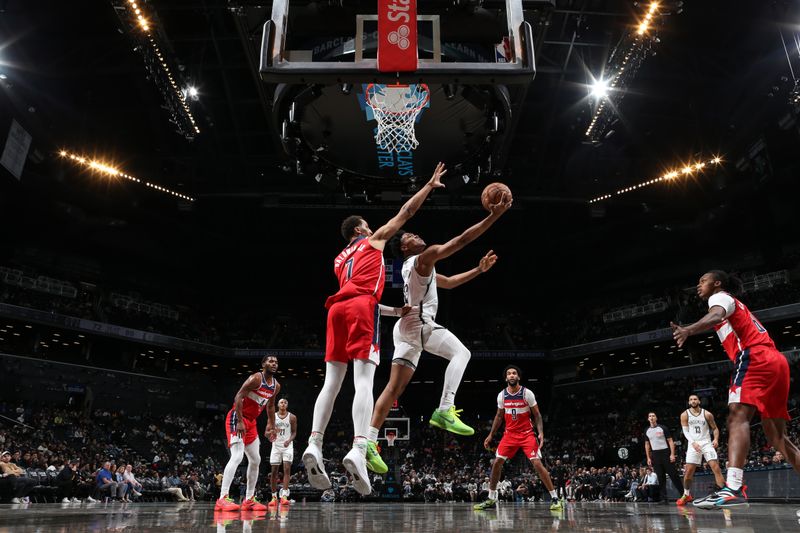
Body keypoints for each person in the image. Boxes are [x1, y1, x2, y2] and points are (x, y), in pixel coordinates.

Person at [302, 163, 447, 496]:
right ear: (359, 229)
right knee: (363, 381)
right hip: (361, 309)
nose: (371, 228)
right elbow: (406, 212)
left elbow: (356, 291)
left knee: (332, 382)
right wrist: (427, 185)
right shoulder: (373, 241)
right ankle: (359, 446)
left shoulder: (339, 259)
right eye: (366, 225)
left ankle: (314, 443)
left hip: (336, 309)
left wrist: (395, 311)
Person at [366, 196, 512, 473]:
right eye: (410, 235)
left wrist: (478, 270)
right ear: (405, 247)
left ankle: (369, 442)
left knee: (393, 388)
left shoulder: (417, 268)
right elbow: (460, 241)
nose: (416, 234)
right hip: (419, 324)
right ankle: (445, 408)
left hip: (405, 329)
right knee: (462, 353)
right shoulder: (422, 258)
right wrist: (494, 216)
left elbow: (450, 283)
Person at [672, 270, 799, 509]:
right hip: (776, 362)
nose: (698, 285)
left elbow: (716, 314)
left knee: (737, 417)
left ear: (717, 283)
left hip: (755, 356)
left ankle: (733, 487)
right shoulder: (735, 305)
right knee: (779, 439)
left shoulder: (719, 298)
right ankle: (733, 487)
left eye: (702, 281)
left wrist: (689, 329)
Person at [474, 366, 562, 511]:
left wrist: (540, 432)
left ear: (518, 377)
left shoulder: (527, 393)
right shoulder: (502, 395)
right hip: (509, 435)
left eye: (514, 373)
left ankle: (554, 498)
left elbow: (538, 415)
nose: (512, 375)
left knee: (537, 464)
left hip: (527, 434)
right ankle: (491, 498)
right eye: (509, 373)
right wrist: (491, 435)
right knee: (497, 463)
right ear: (506, 378)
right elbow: (499, 416)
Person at [215, 355, 281, 512]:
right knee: (237, 456)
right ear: (263, 364)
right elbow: (238, 396)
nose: (274, 364)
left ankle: (249, 500)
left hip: (252, 422)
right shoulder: (255, 379)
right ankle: (222, 498)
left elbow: (271, 407)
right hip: (237, 417)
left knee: (256, 459)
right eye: (270, 361)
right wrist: (239, 421)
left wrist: (271, 425)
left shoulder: (276, 386)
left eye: (276, 362)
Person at [676, 394, 725, 505]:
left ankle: (723, 494)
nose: (693, 401)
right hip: (693, 443)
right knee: (689, 471)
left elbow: (715, 428)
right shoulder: (684, 415)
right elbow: (685, 431)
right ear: (689, 402)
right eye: (691, 399)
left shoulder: (707, 414)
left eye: (695, 399)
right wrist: (693, 443)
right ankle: (687, 494)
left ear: (699, 401)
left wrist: (716, 439)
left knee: (715, 467)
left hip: (706, 443)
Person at [643, 412, 684, 502]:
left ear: (656, 418)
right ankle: (664, 498)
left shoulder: (663, 428)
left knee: (674, 475)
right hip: (655, 454)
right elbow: (647, 444)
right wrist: (648, 457)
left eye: (653, 416)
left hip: (665, 452)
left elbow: (670, 441)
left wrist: (672, 454)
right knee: (660, 477)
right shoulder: (647, 430)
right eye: (649, 416)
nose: (651, 417)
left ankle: (683, 495)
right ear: (648, 419)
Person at [268, 399, 297, 507]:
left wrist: (289, 441)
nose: (283, 403)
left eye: (285, 402)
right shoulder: (273, 417)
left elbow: (294, 432)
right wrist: (270, 434)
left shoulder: (292, 417)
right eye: (281, 402)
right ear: (278, 405)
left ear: (287, 405)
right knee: (274, 471)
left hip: (287, 446)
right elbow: (266, 432)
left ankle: (284, 496)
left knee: (286, 469)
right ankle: (274, 497)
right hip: (276, 446)